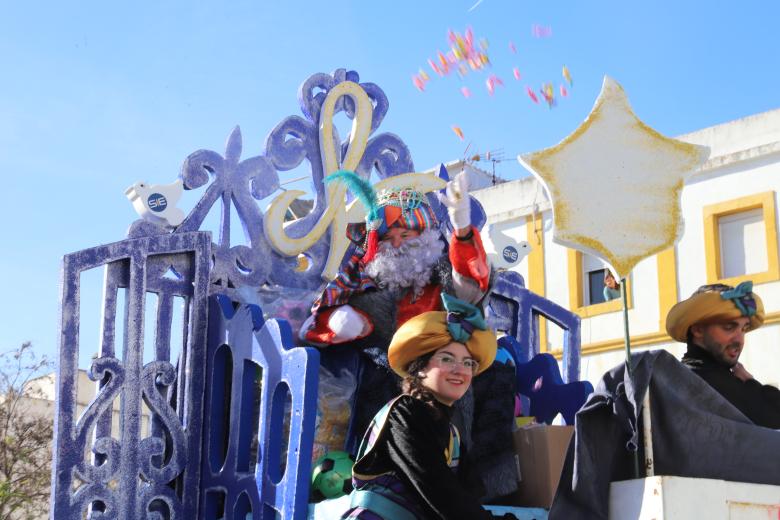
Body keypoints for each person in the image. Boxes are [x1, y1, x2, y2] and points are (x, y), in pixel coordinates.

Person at [300, 170, 518, 499]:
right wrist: (342, 319)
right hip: (388, 379)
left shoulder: (444, 276)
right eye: (390, 237)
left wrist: (461, 230)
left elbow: (470, 283)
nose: (398, 244)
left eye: (407, 234)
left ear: (425, 238)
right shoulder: (362, 284)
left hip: (448, 377)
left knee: (496, 377)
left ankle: (484, 486)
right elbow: (320, 318)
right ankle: (385, 482)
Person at [342, 294, 503, 519]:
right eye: (447, 359)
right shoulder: (406, 413)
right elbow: (440, 491)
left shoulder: (452, 435)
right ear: (419, 367)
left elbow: (467, 498)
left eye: (468, 363)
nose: (460, 370)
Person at [666, 281, 780, 429]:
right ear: (698, 331)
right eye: (729, 327)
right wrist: (752, 386)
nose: (739, 340)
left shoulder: (680, 378)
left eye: (743, 329)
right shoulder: (695, 384)